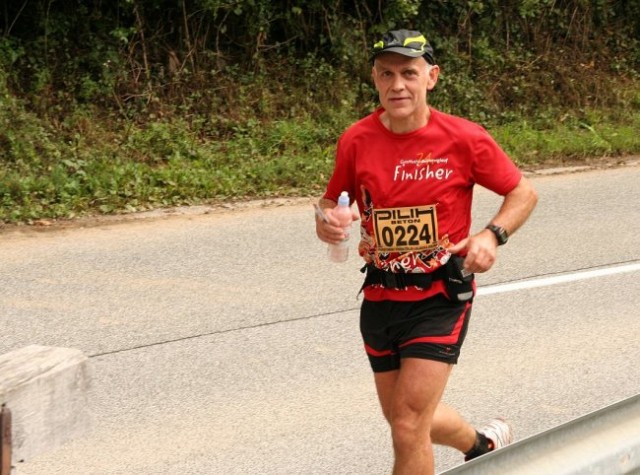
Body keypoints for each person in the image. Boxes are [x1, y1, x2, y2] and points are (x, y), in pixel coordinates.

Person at [315, 29, 538, 474]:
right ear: (375, 80)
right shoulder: (356, 140)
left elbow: (523, 193)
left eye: (409, 73)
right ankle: (480, 444)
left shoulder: (464, 138)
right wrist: (328, 223)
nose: (398, 85)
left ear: (431, 77)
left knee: (406, 422)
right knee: (402, 416)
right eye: (387, 74)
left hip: (439, 296)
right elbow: (330, 204)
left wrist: (491, 235)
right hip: (380, 298)